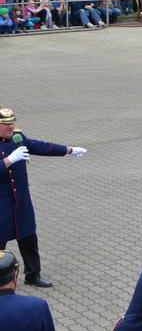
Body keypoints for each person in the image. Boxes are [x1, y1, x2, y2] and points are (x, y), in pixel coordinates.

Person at [0, 107, 87, 288]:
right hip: (2, 204)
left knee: (28, 238)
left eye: (12, 123)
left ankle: (33, 275)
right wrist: (8, 160)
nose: (10, 127)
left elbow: (40, 146)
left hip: (21, 203)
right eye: (5, 124)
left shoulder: (18, 138)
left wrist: (69, 150)